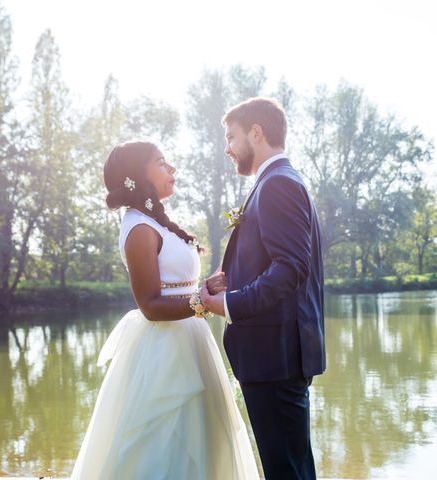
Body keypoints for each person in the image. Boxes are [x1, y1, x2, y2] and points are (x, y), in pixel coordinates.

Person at [71, 141, 258, 480]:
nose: (172, 168)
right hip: (163, 351)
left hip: (192, 340)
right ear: (136, 176)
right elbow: (151, 306)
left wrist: (208, 287)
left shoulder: (155, 222)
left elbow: (178, 285)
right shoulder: (139, 228)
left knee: (204, 443)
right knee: (163, 445)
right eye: (162, 163)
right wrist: (203, 303)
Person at [201, 97, 326, 480]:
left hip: (276, 356)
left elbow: (289, 269)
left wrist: (228, 304)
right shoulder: (277, 182)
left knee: (286, 469)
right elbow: (280, 263)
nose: (228, 147)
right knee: (290, 467)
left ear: (256, 133)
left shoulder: (278, 186)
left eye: (232, 136)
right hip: (276, 356)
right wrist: (232, 277)